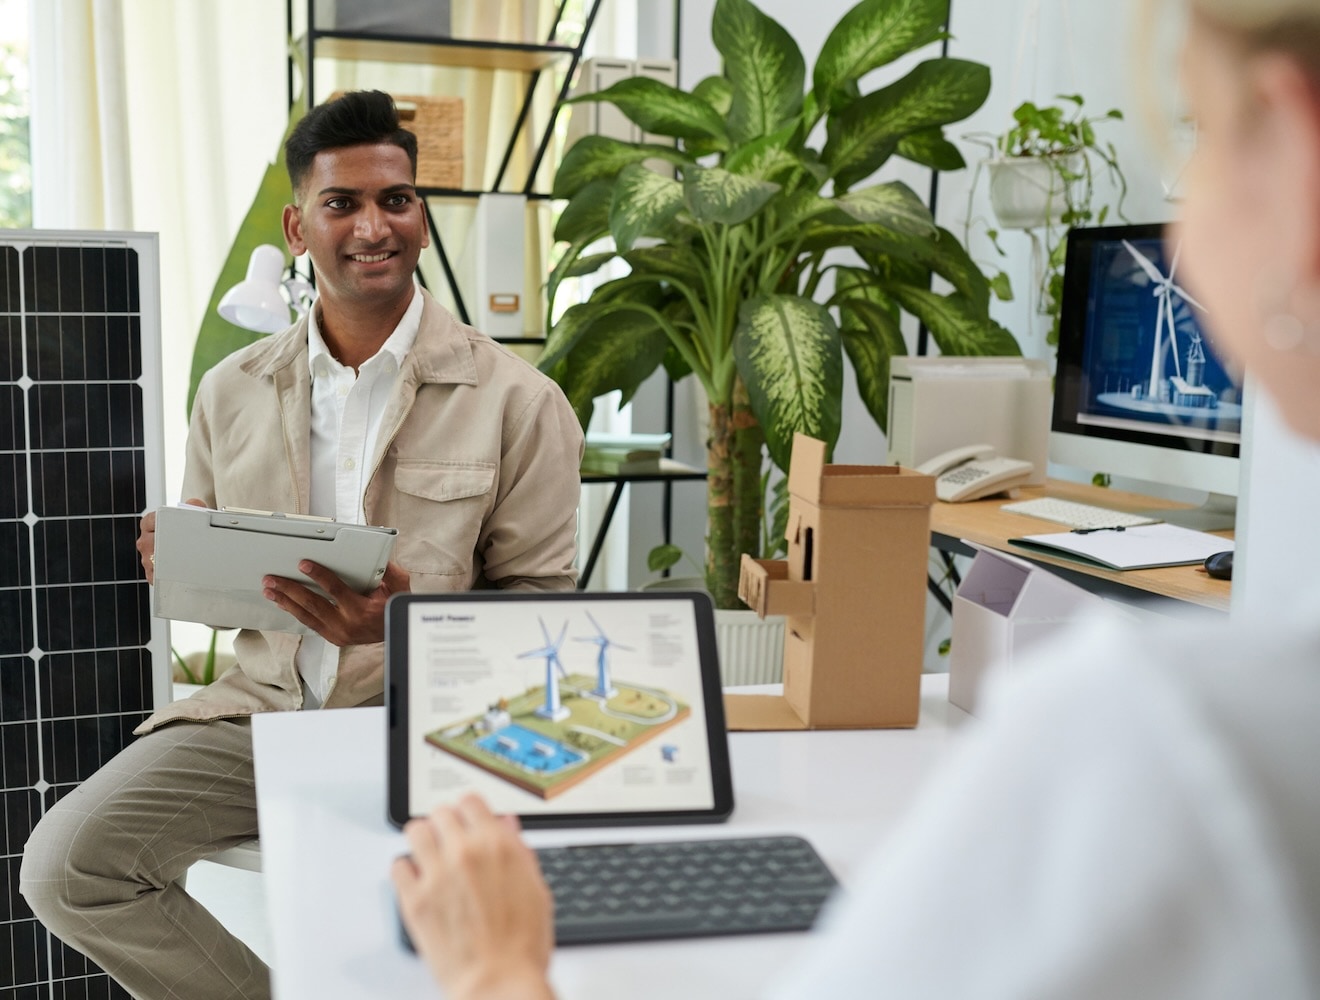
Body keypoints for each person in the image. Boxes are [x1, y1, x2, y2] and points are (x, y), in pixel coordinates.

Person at [390, 2, 1320, 998]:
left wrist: (493, 968)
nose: (1184, 213)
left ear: (1295, 160)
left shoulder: (1158, 733)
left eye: (1201, 138)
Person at [19, 90, 583, 1000]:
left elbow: (544, 617)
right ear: (297, 226)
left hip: (432, 727)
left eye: (395, 200)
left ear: (422, 219)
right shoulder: (230, 391)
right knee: (66, 870)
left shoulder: (519, 401)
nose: (374, 225)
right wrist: (185, 559)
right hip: (263, 716)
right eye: (342, 203)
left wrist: (402, 626)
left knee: (403, 936)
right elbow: (219, 581)